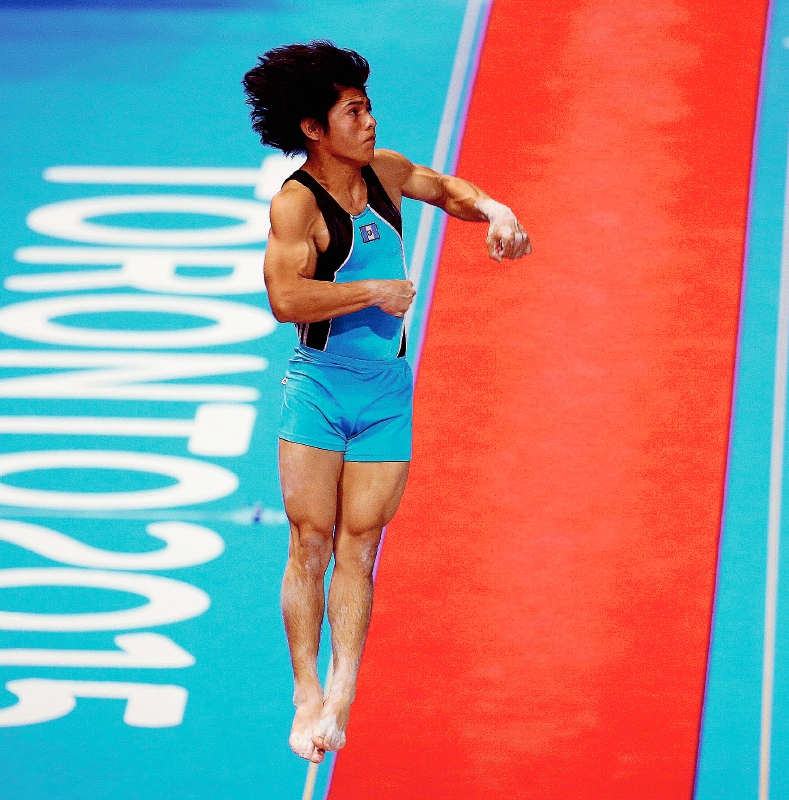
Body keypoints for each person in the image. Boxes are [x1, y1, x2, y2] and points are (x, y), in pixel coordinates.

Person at [242, 40, 531, 763]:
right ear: (314, 127)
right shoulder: (295, 205)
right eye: (354, 111)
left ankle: (341, 693)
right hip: (318, 388)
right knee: (311, 541)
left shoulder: (385, 174)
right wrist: (372, 291)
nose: (369, 122)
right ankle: (306, 691)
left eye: (368, 108)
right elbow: (285, 298)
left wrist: (495, 210)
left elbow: (445, 189)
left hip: (385, 395)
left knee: (361, 546)